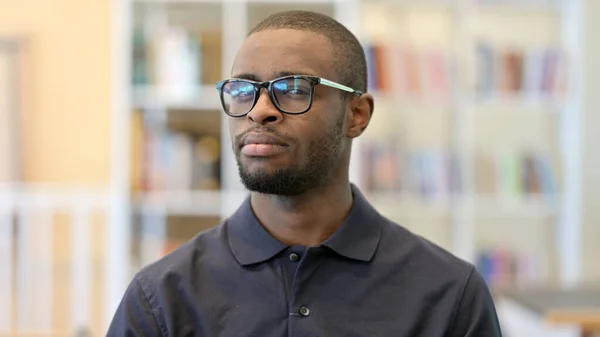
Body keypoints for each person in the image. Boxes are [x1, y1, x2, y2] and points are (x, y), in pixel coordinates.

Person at [107, 10, 502, 337]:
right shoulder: (162, 298)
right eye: (243, 89)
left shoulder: (449, 296)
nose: (260, 109)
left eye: (294, 87)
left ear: (357, 114)